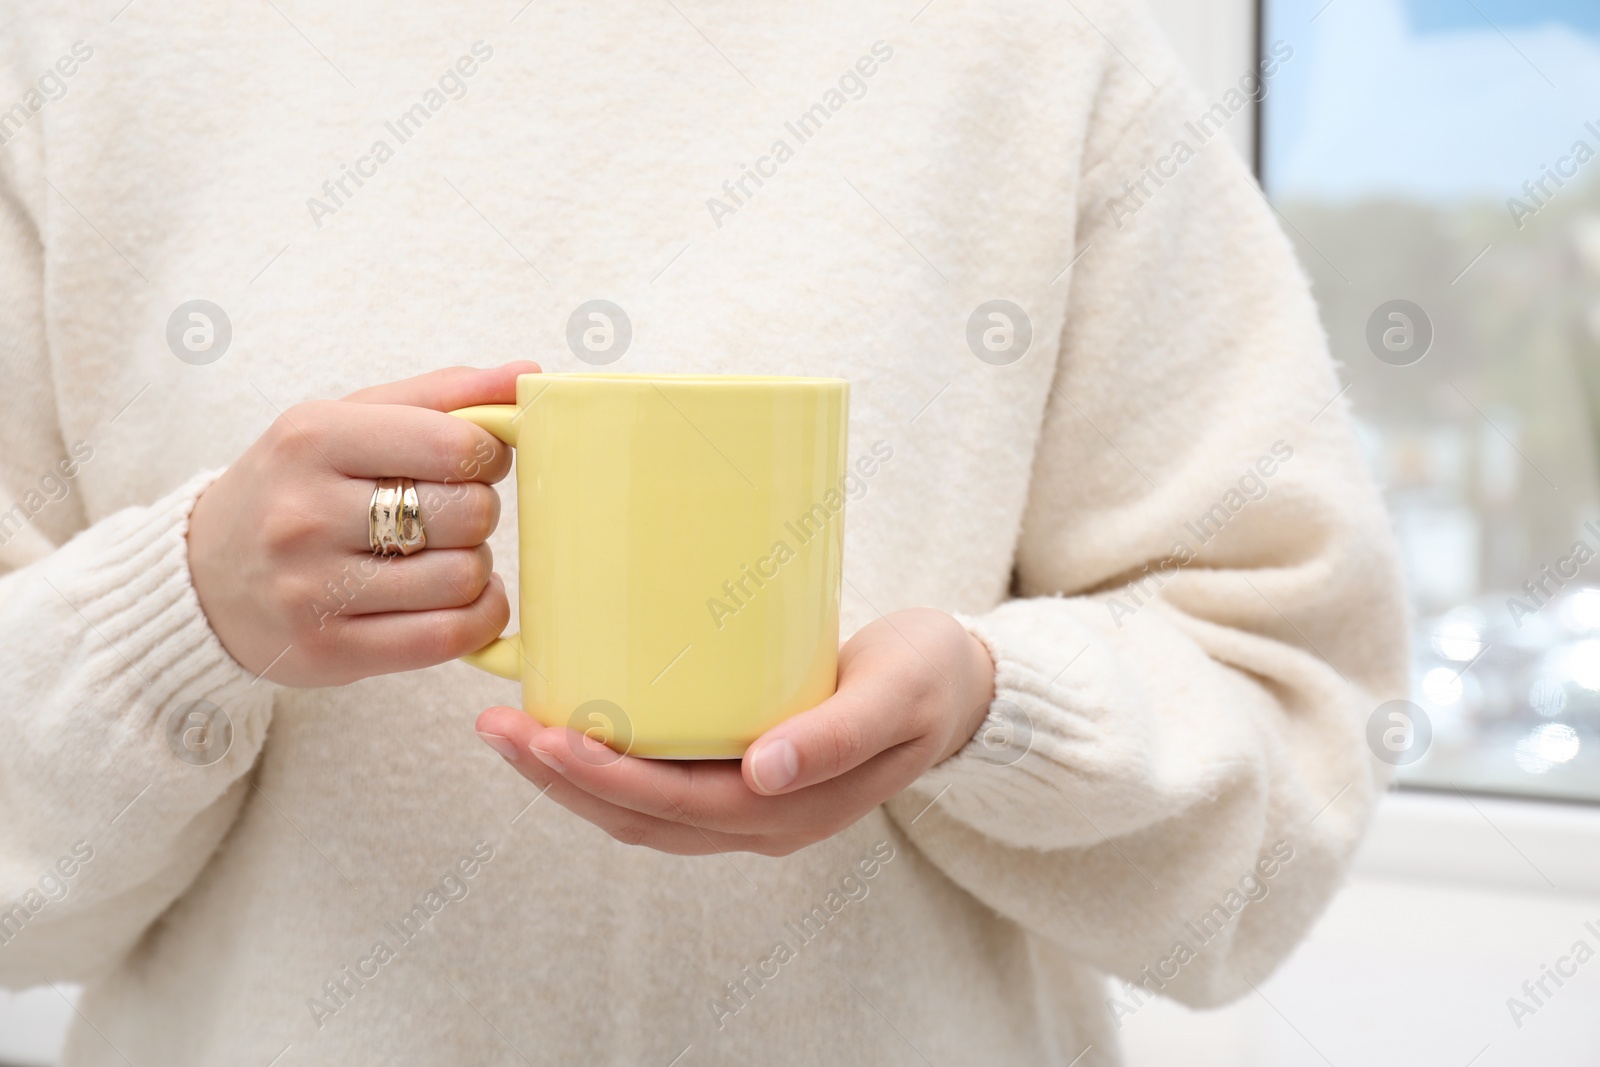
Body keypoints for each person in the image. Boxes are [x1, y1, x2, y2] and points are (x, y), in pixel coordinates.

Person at [0, 2, 1406, 1064]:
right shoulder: (70, 59)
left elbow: (1286, 797)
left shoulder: (1036, 54)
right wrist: (174, 619)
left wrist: (991, 712)